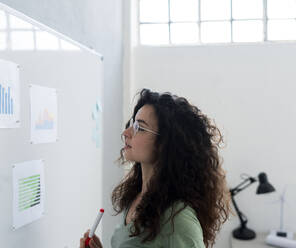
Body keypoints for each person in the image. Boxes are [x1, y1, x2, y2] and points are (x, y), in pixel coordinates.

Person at [80, 89, 231, 248]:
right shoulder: (136, 197)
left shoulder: (178, 219)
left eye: (140, 127)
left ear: (165, 144)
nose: (126, 133)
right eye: (133, 124)